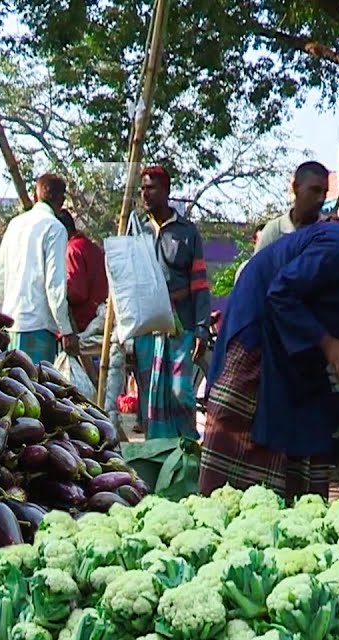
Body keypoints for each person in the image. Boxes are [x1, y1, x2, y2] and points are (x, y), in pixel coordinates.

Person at [199, 211, 339, 501]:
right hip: (261, 321)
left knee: (308, 425)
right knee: (245, 418)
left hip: (302, 341)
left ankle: (295, 505)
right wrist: (328, 344)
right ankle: (221, 503)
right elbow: (280, 293)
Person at [134, 165, 211, 441]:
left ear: (166, 191)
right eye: (142, 188)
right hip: (147, 328)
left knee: (180, 392)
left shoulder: (187, 233)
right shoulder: (136, 231)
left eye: (151, 188)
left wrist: (202, 328)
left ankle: (188, 449)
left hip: (182, 325)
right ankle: (158, 455)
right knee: (151, 395)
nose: (145, 194)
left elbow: (200, 285)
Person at [0, 173, 76, 365]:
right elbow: (55, 285)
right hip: (39, 327)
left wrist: (1, 315)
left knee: (13, 386)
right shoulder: (55, 228)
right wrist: (66, 329)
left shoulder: (15, 224)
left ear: (35, 195)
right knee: (36, 390)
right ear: (61, 200)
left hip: (11, 323)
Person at [254, 161, 330, 254]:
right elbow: (258, 267)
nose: (321, 199)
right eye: (315, 190)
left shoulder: (329, 231)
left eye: (325, 192)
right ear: (295, 187)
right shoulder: (274, 231)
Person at [58, 209, 108, 333]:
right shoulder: (90, 246)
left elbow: (77, 293)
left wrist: (55, 291)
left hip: (83, 324)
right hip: (97, 318)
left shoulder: (72, 250)